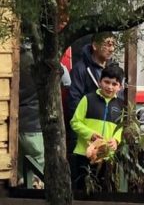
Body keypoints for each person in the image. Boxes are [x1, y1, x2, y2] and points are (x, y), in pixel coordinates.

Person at [18, 42, 71, 184]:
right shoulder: (42, 59)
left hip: (13, 124)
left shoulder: (12, 57)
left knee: (19, 175)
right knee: (39, 175)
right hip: (35, 123)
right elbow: (67, 81)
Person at [70, 64, 126, 190]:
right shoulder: (88, 99)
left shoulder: (121, 106)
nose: (110, 87)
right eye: (106, 82)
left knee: (104, 191)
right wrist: (90, 134)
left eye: (114, 84)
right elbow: (75, 122)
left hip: (107, 157)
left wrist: (116, 140)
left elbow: (121, 128)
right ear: (100, 82)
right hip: (84, 155)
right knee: (82, 189)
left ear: (120, 87)